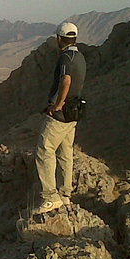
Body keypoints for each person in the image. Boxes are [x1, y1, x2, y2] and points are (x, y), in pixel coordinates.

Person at [34, 21, 86, 214]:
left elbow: (66, 80)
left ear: (59, 38)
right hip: (74, 112)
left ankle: (50, 196)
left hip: (61, 113)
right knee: (65, 152)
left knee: (44, 149)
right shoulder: (79, 56)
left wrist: (58, 105)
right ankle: (65, 194)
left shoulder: (65, 57)